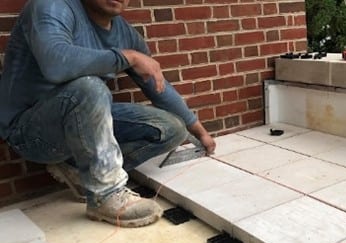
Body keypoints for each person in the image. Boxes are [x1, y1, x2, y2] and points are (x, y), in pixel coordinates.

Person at [0, 0, 216, 227]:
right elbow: (56, 64)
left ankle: (78, 171)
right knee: (89, 87)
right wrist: (127, 57)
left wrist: (199, 131)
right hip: (29, 131)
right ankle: (105, 194)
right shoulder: (51, 6)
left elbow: (158, 86)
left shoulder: (124, 32)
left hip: (84, 116)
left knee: (172, 129)